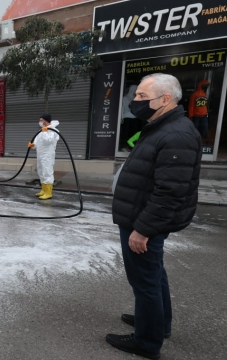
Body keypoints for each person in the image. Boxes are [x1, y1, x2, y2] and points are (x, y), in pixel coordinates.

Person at [108, 73, 202, 360]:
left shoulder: (176, 135)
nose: (135, 102)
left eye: (141, 97)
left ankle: (147, 342)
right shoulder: (162, 126)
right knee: (154, 274)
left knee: (145, 280)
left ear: (164, 99)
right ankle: (157, 324)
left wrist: (143, 229)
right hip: (140, 215)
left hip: (143, 221)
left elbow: (170, 191)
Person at [28, 114, 59, 200]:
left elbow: (48, 141)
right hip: (40, 155)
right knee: (41, 172)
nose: (40, 122)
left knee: (47, 172)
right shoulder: (41, 131)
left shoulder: (54, 131)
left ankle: (48, 193)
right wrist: (32, 145)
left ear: (46, 121)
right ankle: (43, 190)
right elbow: (37, 143)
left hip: (48, 156)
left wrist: (45, 132)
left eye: (41, 120)